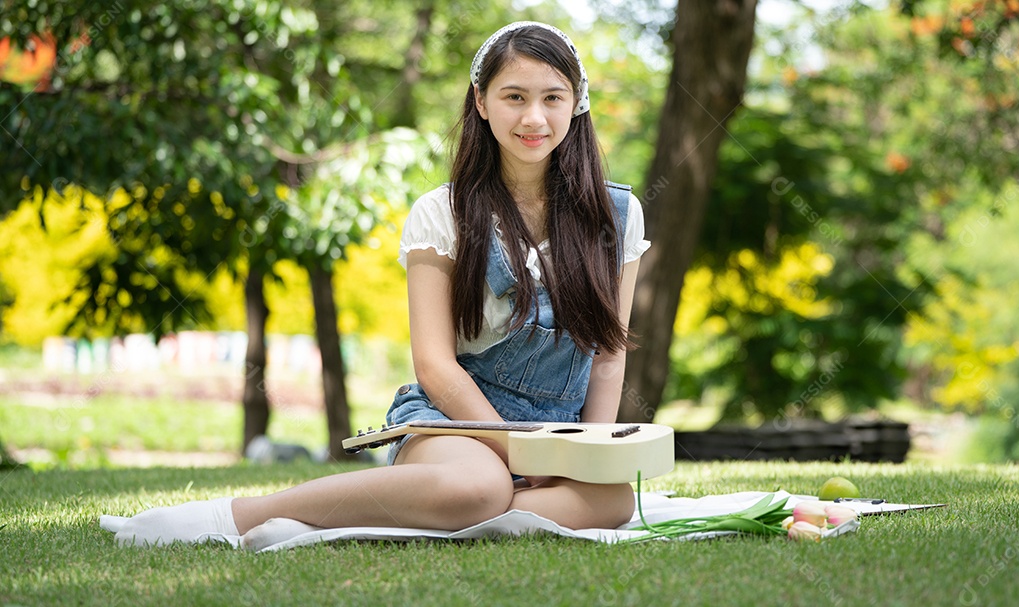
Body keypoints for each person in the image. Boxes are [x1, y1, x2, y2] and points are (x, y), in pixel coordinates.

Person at [112, 21, 651, 549]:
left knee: (614, 500)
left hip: (558, 436)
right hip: (454, 426)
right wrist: (520, 454)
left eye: (553, 98)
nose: (534, 117)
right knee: (477, 487)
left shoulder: (617, 215)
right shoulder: (443, 213)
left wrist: (589, 455)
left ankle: (367, 523)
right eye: (515, 97)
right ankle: (242, 515)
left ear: (576, 103)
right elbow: (435, 366)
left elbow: (607, 356)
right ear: (481, 102)